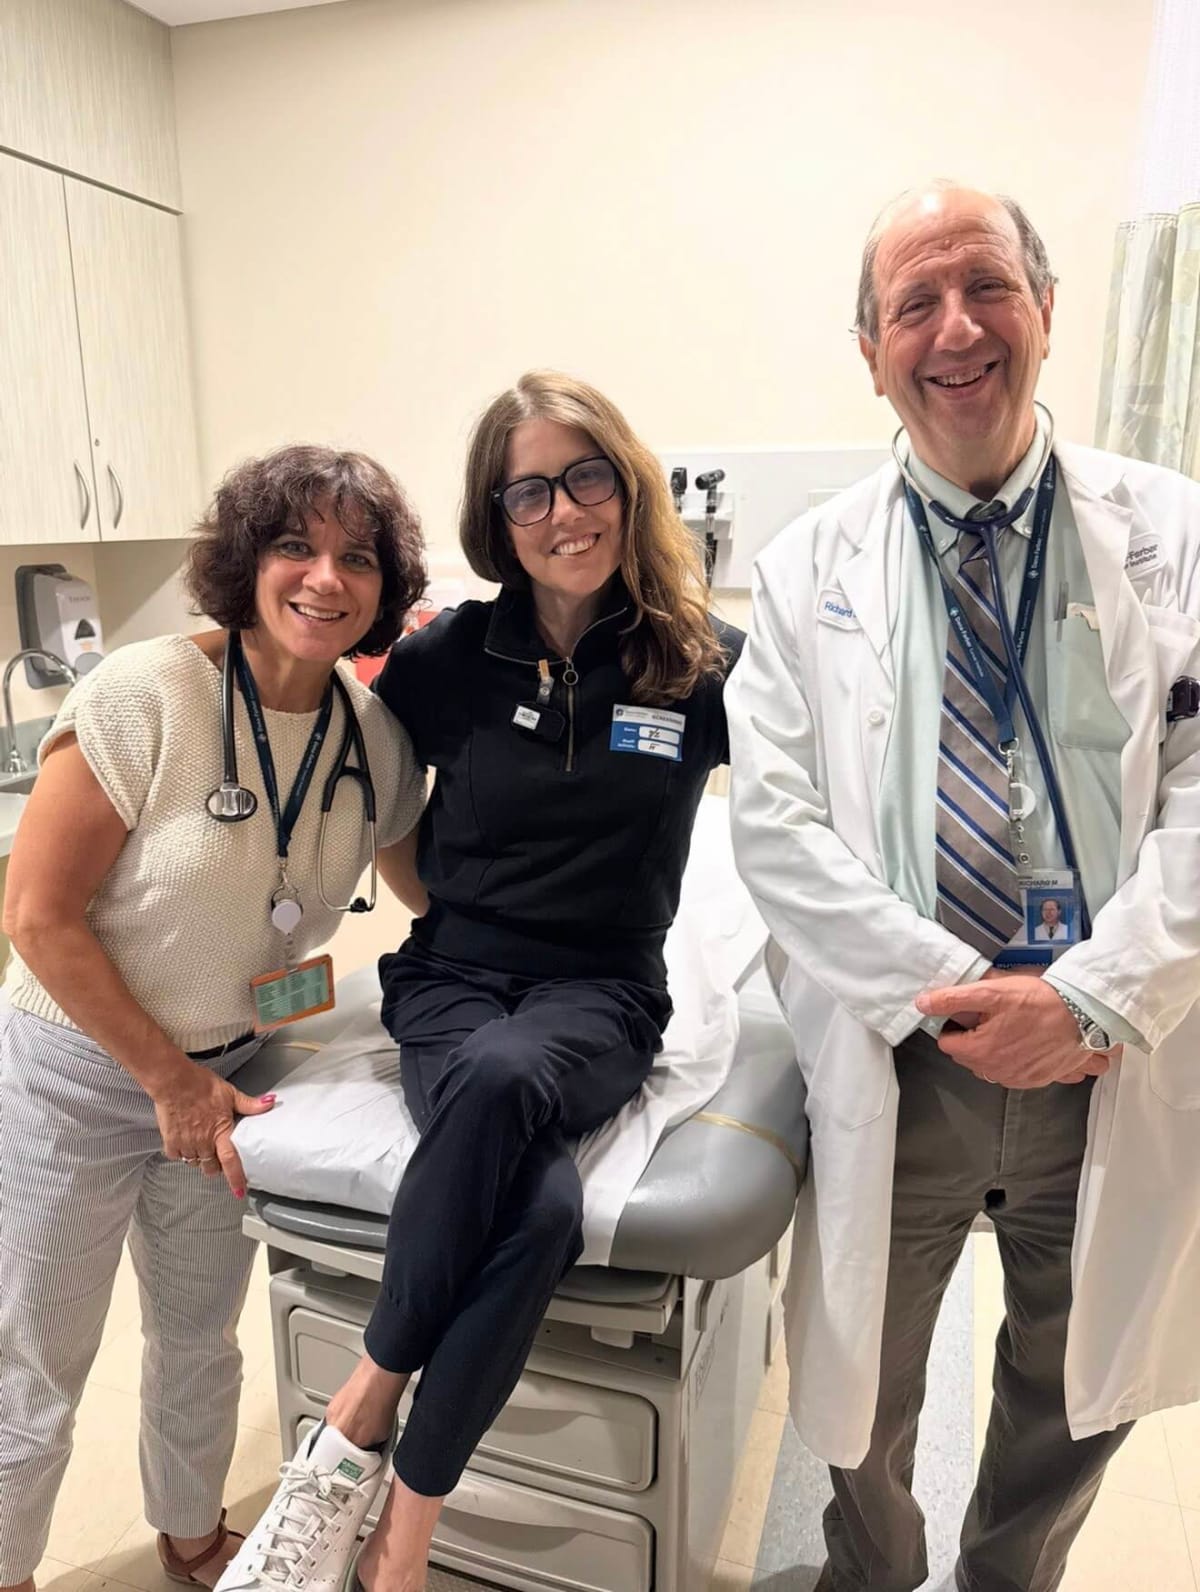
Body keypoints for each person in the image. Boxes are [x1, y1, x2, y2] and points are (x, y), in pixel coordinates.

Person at [727, 181, 1200, 1592]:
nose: (955, 329)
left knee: (1068, 1388)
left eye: (985, 286)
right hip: (906, 1053)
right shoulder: (807, 564)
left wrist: (1096, 994)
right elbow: (775, 824)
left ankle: (1010, 1578)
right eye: (911, 305)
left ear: (1046, 312)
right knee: (860, 1386)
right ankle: (871, 1574)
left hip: (1110, 1046)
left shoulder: (1173, 535)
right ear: (870, 349)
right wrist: (950, 992)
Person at [218, 371, 742, 1592]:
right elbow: (363, 777)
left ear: (627, 482)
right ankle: (406, 1531)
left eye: (586, 476)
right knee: (544, 1208)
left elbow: (819, 791)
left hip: (602, 994)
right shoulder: (455, 654)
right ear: (495, 516)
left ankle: (359, 1412)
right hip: (450, 974)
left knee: (510, 1076)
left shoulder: (695, 664)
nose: (563, 510)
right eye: (528, 491)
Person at [0, 446, 428, 1592]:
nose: (324, 578)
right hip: (75, 1071)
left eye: (356, 557)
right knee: (33, 1356)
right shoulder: (146, 696)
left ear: (386, 586)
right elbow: (37, 917)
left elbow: (431, 887)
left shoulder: (368, 738)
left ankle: (189, 1534)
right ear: (247, 561)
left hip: (232, 1072)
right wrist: (164, 1079)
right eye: (296, 545)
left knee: (199, 1336)